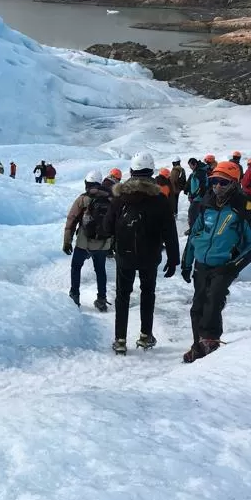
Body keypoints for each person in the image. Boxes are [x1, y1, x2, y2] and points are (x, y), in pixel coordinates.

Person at [181, 160, 251, 361]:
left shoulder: (244, 207)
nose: (218, 185)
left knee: (214, 301)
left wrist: (233, 265)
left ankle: (210, 343)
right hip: (202, 262)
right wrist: (186, 262)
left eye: (223, 182)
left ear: (234, 183)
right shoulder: (206, 203)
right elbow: (194, 235)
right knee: (197, 306)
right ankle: (198, 345)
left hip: (224, 265)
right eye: (215, 181)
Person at [103, 151, 180, 355]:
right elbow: (170, 232)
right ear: (151, 172)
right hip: (150, 255)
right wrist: (174, 259)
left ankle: (120, 340)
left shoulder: (119, 198)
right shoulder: (160, 199)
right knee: (148, 294)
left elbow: (106, 227)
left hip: (125, 254)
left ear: (131, 171)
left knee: (122, 296)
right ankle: (146, 336)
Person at [63, 170, 113, 311]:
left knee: (76, 267)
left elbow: (71, 220)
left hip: (84, 242)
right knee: (100, 270)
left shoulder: (83, 199)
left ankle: (75, 296)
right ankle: (101, 299)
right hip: (103, 243)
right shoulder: (111, 199)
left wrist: (67, 241)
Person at [186, 157, 210, 233]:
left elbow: (201, 187)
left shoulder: (200, 172)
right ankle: (197, 229)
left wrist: (194, 196)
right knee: (197, 214)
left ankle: (193, 230)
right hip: (197, 197)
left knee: (192, 213)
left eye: (191, 166)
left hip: (199, 198)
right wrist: (190, 193)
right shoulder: (196, 171)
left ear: (195, 164)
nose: (190, 168)